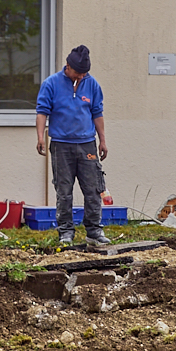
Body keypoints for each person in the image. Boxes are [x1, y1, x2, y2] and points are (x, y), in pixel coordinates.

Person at [35, 45, 111, 246]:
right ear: (67, 66)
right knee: (64, 190)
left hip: (87, 144)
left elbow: (97, 113)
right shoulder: (51, 84)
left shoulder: (92, 84)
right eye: (78, 72)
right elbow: (42, 111)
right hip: (61, 145)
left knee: (93, 189)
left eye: (84, 73)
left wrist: (102, 140)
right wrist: (41, 137)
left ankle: (94, 230)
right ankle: (66, 231)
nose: (80, 76)